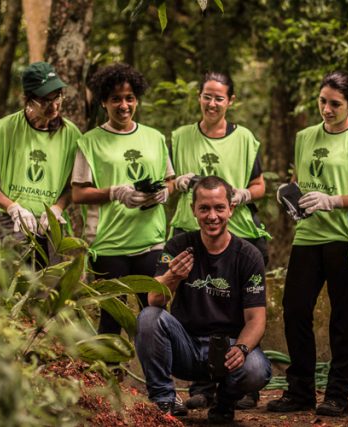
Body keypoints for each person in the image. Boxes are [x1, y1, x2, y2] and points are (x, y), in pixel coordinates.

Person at [267, 71, 348, 417]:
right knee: (295, 308)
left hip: (346, 236)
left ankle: (338, 394)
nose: (327, 109)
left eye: (335, 104)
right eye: (322, 101)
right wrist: (287, 194)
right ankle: (300, 391)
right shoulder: (304, 137)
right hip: (309, 235)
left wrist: (333, 201)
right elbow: (298, 181)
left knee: (342, 315)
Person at [135, 176, 272, 424]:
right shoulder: (177, 246)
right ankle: (163, 400)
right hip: (185, 347)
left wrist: (241, 349)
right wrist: (173, 276)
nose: (212, 216)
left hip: (227, 349)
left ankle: (224, 403)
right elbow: (154, 299)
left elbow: (256, 320)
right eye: (204, 208)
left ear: (231, 208)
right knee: (148, 317)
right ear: (193, 210)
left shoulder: (249, 256)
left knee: (256, 369)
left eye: (219, 208)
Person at [170, 71, 270, 409]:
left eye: (219, 97)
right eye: (207, 96)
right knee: (196, 305)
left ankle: (242, 385)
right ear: (198, 97)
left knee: (239, 306)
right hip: (189, 232)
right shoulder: (180, 137)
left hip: (238, 234)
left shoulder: (244, 138)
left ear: (231, 101)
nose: (212, 103)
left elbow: (260, 185)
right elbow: (165, 182)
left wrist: (244, 194)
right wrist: (176, 182)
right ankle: (201, 386)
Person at [71, 63, 172, 335]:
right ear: (104, 102)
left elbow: (170, 179)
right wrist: (114, 192)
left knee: (155, 315)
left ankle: (154, 365)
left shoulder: (154, 138)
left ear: (137, 100)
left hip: (150, 241)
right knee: (111, 318)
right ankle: (111, 363)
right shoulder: (89, 142)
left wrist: (164, 192)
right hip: (108, 244)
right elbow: (78, 193)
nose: (124, 105)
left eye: (129, 98)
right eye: (116, 99)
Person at [0, 61, 80, 265]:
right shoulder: (5, 129)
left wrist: (57, 208)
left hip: (47, 223)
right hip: (8, 221)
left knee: (49, 281)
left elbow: (73, 187)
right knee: (7, 281)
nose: (54, 106)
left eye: (57, 97)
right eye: (45, 100)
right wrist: (13, 208)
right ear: (28, 99)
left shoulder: (71, 135)